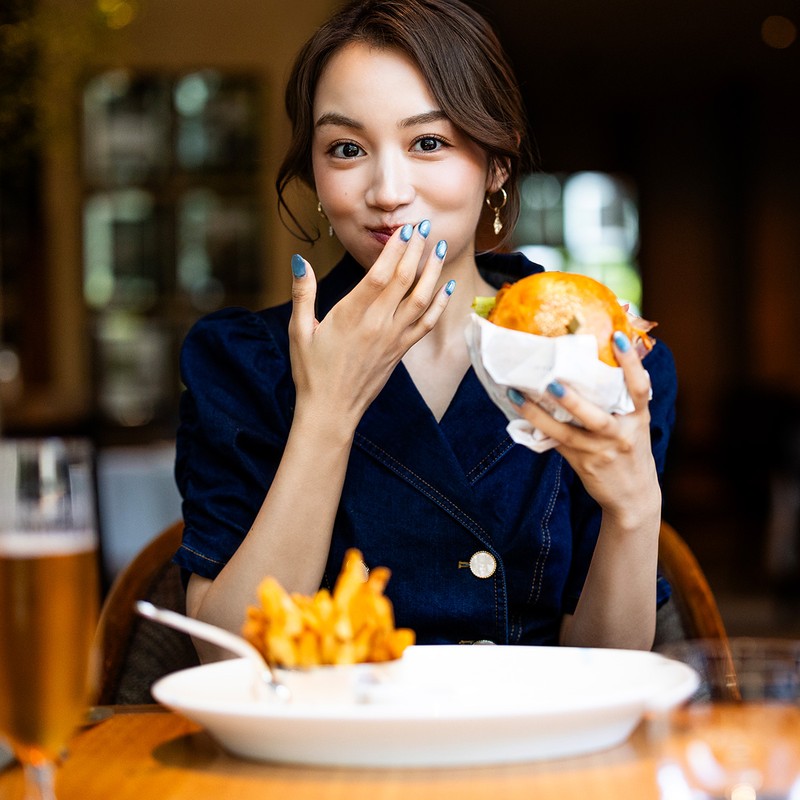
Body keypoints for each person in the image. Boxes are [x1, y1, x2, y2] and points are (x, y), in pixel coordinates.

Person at [174, 0, 677, 660]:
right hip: (325, 756)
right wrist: (326, 412)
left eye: (429, 143)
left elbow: (609, 670)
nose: (387, 190)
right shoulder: (243, 362)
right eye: (346, 149)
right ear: (316, 179)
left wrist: (635, 510)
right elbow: (225, 661)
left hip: (529, 753)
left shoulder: (598, 357)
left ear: (497, 165)